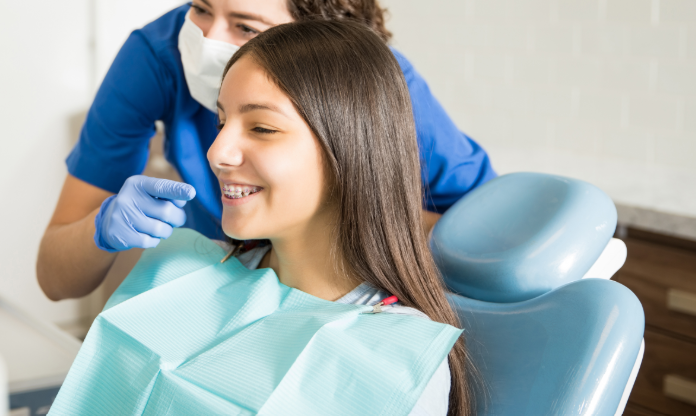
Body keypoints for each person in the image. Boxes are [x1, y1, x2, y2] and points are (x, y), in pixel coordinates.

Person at [37, 0, 496, 302]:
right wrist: (103, 229)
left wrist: (355, 216)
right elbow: (56, 278)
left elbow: (493, 247)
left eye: (246, 26)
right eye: (199, 7)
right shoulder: (159, 57)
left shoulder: (380, 91)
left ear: (324, 49)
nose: (207, 40)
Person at [48, 21, 471, 416]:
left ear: (349, 151)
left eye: (262, 128)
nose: (217, 152)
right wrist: (99, 230)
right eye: (221, 121)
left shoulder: (396, 358)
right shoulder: (182, 273)